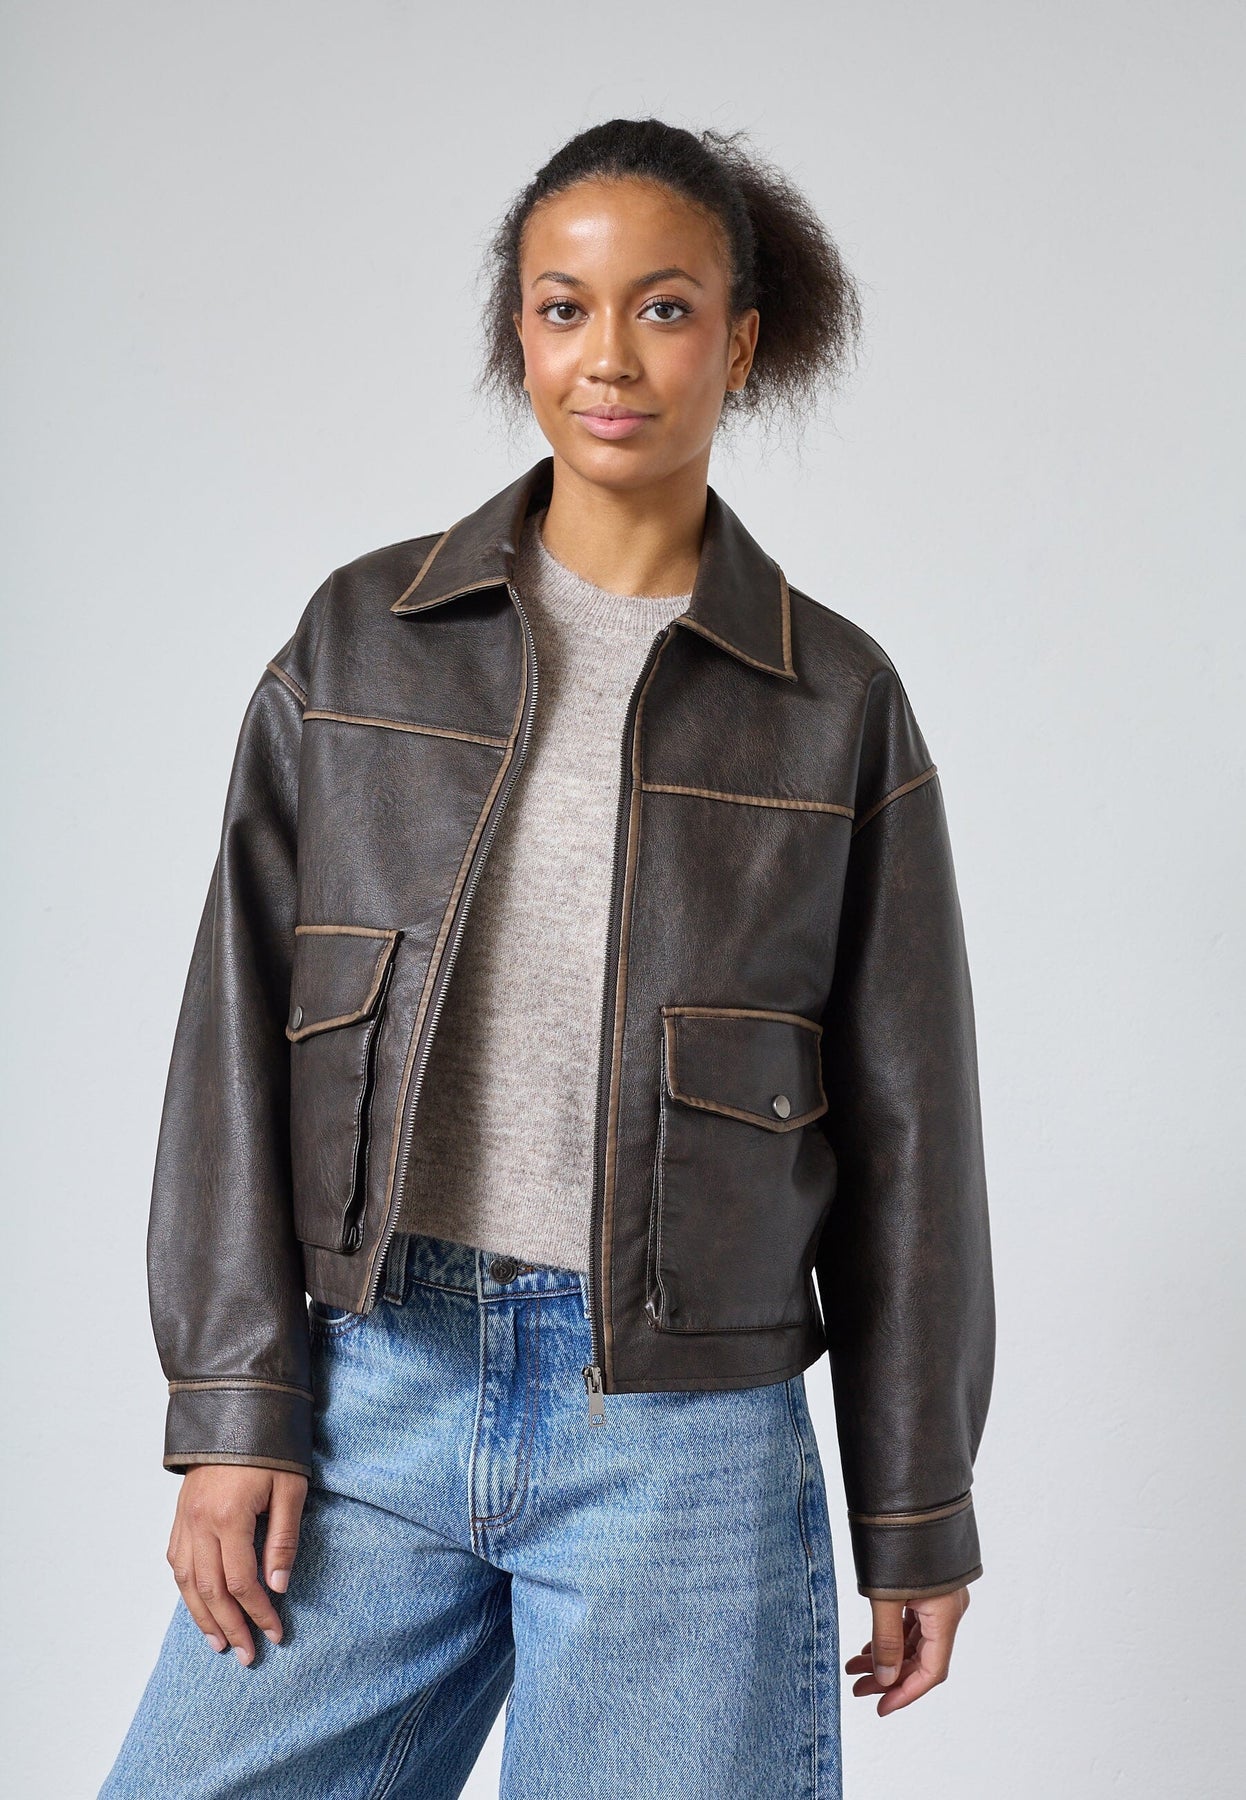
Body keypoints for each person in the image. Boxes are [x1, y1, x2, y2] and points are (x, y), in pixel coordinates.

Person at [100, 117, 995, 1799]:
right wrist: (231, 1400)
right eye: (561, 308)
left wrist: (915, 1504)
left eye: (663, 309)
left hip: (684, 1440)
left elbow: (908, 1135)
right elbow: (229, 1032)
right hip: (374, 1388)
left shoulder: (834, 704)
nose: (608, 358)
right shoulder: (361, 643)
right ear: (518, 333)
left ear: (739, 340)